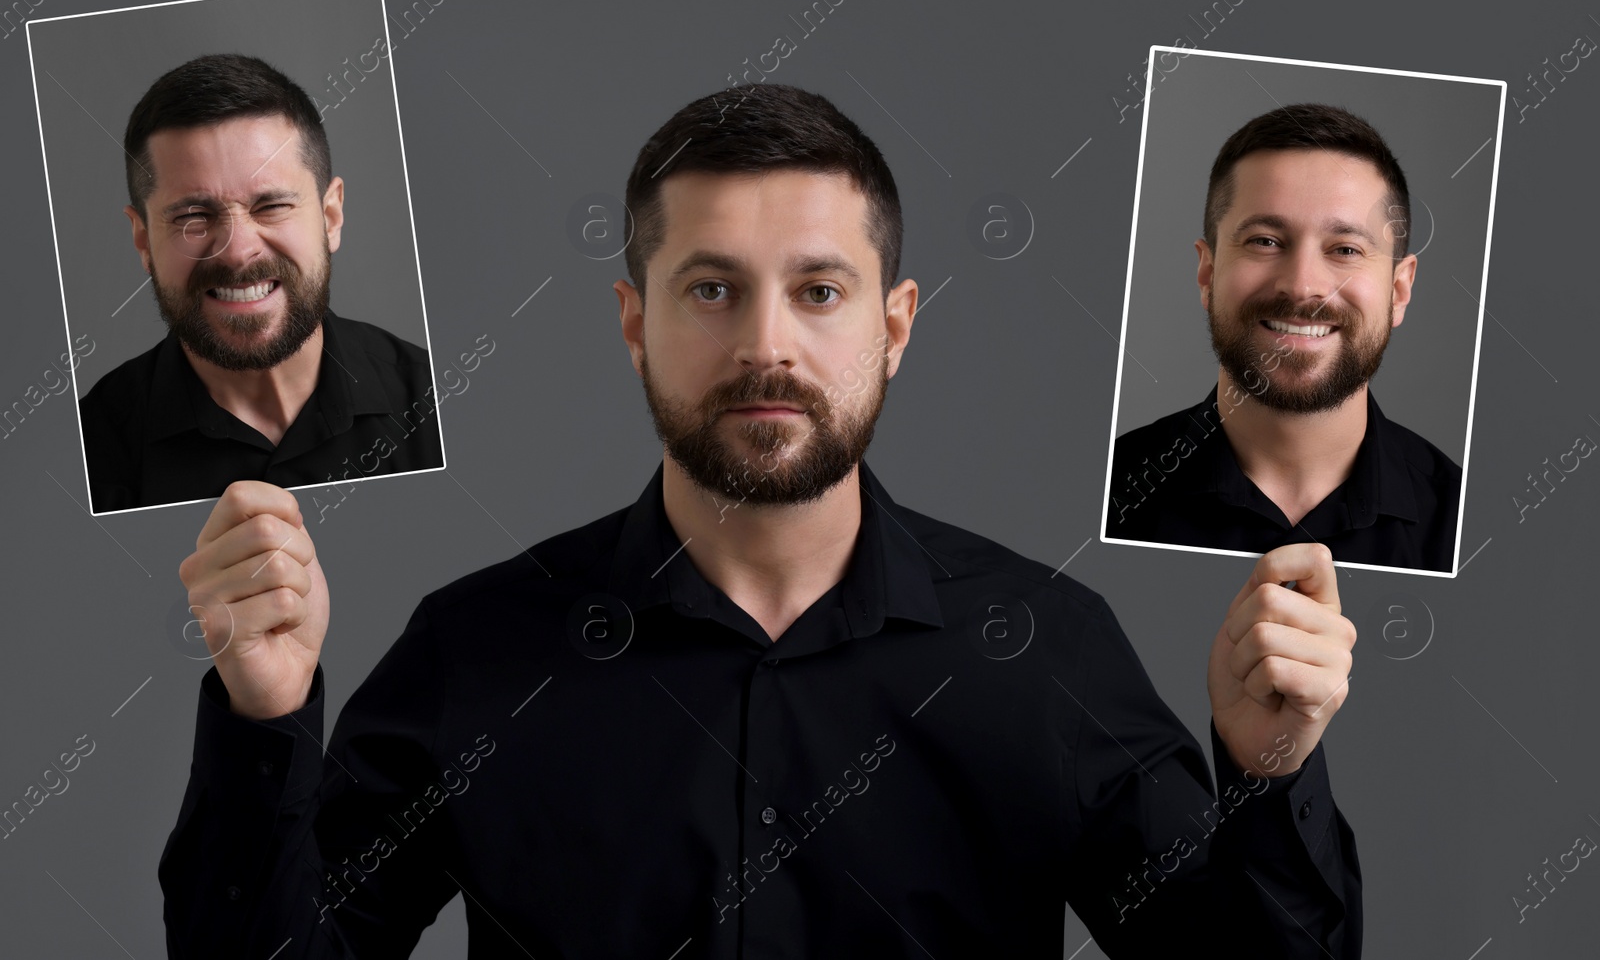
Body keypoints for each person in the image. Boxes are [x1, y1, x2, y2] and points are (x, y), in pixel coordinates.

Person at [160, 84, 1360, 957]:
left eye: (818, 290)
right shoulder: (475, 651)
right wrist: (263, 719)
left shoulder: (1041, 646)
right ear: (635, 320)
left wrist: (1271, 771)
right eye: (713, 289)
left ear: (894, 324)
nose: (768, 345)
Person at [78, 54, 442, 515]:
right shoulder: (86, 454)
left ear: (330, 217)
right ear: (143, 240)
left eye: (270, 206)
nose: (236, 251)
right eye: (193, 216)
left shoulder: (438, 402)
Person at [1106, 103, 1462, 572]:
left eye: (1346, 249)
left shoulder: (1465, 522)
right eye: (1264, 241)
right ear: (1208, 273)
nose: (1301, 285)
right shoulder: (1105, 490)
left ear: (1398, 291)